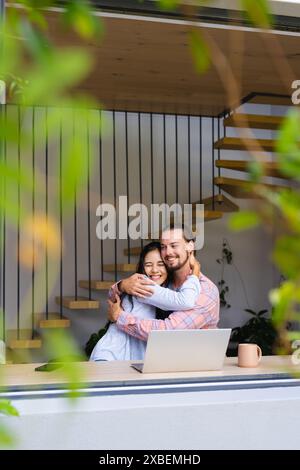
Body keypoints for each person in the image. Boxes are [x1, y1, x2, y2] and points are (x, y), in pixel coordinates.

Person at [89, 241, 201, 361]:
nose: (154, 270)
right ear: (142, 267)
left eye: (160, 264)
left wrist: (119, 286)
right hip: (110, 356)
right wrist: (195, 272)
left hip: (126, 359)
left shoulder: (164, 290)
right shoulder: (143, 284)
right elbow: (185, 300)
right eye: (148, 265)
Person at [107, 224, 220, 341]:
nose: (168, 252)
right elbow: (115, 299)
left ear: (190, 246)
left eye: (174, 245)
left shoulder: (206, 290)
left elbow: (169, 331)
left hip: (199, 358)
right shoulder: (162, 281)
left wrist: (120, 317)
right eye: (163, 247)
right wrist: (121, 286)